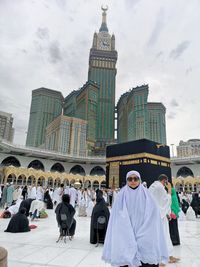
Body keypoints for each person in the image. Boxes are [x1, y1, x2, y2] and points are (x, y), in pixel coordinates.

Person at [102, 171, 168, 267]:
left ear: (139, 180)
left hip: (144, 233)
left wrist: (145, 232)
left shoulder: (147, 196)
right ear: (127, 180)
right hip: (125, 234)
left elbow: (153, 215)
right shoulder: (121, 196)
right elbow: (115, 218)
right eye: (130, 179)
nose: (133, 181)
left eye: (135, 179)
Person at [149, 174, 180, 265]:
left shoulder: (152, 186)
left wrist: (166, 213)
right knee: (162, 236)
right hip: (159, 216)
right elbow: (166, 200)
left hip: (157, 215)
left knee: (164, 236)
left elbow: (159, 202)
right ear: (165, 181)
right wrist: (169, 190)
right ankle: (162, 258)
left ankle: (168, 256)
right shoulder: (159, 187)